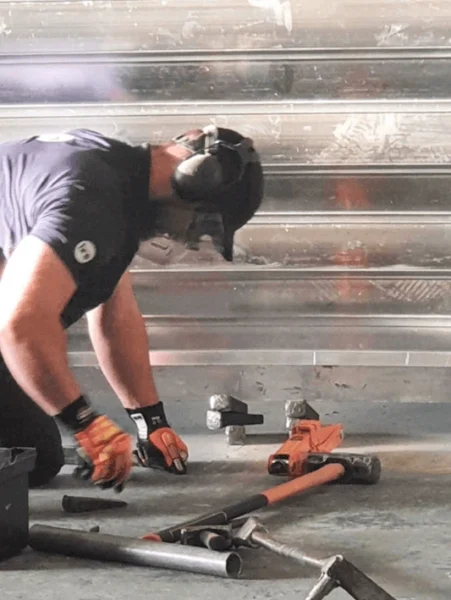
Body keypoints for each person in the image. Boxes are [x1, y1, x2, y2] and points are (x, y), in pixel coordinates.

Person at [0, 126, 264, 491]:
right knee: (30, 459)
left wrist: (150, 421)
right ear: (192, 180)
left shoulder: (113, 175)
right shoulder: (91, 200)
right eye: (198, 224)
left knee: (32, 450)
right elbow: (20, 326)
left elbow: (114, 313)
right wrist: (86, 424)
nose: (186, 240)